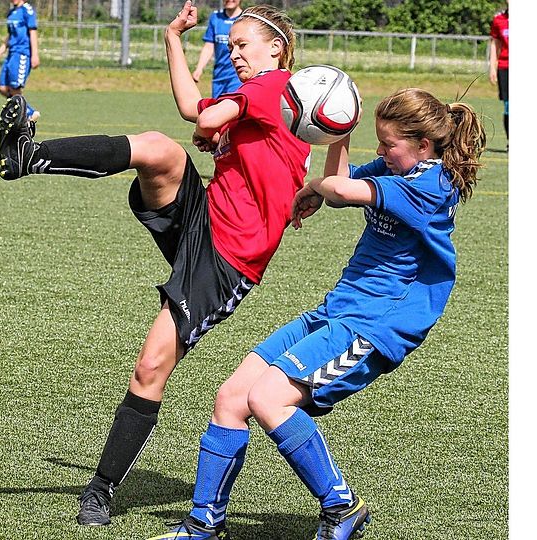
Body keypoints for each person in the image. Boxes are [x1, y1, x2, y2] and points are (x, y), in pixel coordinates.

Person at [0, 1, 308, 528]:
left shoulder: (275, 87)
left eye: (242, 45)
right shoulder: (261, 97)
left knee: (151, 366)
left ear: (276, 48)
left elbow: (205, 118)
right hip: (206, 219)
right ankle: (31, 156)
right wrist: (171, 37)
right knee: (161, 149)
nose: (235, 54)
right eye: (230, 46)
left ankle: (101, 489)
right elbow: (194, 110)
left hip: (229, 261)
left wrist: (216, 129)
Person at [147, 87, 485, 540]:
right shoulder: (398, 168)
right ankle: (204, 522)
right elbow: (344, 179)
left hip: (373, 326)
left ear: (424, 146)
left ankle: (341, 505)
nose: (382, 153)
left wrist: (321, 181)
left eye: (389, 145)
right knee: (231, 397)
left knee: (267, 399)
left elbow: (341, 188)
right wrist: (336, 143)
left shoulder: (429, 185)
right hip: (337, 310)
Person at [0, 0, 41, 124]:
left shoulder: (27, 10)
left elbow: (32, 33)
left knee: (14, 88)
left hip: (22, 53)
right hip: (11, 53)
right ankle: (24, 112)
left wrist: (35, 55)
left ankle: (28, 114)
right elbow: (10, 35)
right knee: (3, 88)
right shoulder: (12, 12)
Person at [191, 0, 243, 98]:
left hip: (236, 76)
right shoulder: (215, 18)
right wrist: (199, 69)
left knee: (231, 108)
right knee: (217, 107)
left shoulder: (245, 19)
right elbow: (209, 46)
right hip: (219, 75)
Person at [488, 0, 508, 146]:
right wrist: (492, 67)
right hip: (505, 67)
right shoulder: (499, 20)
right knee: (509, 106)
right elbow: (495, 45)